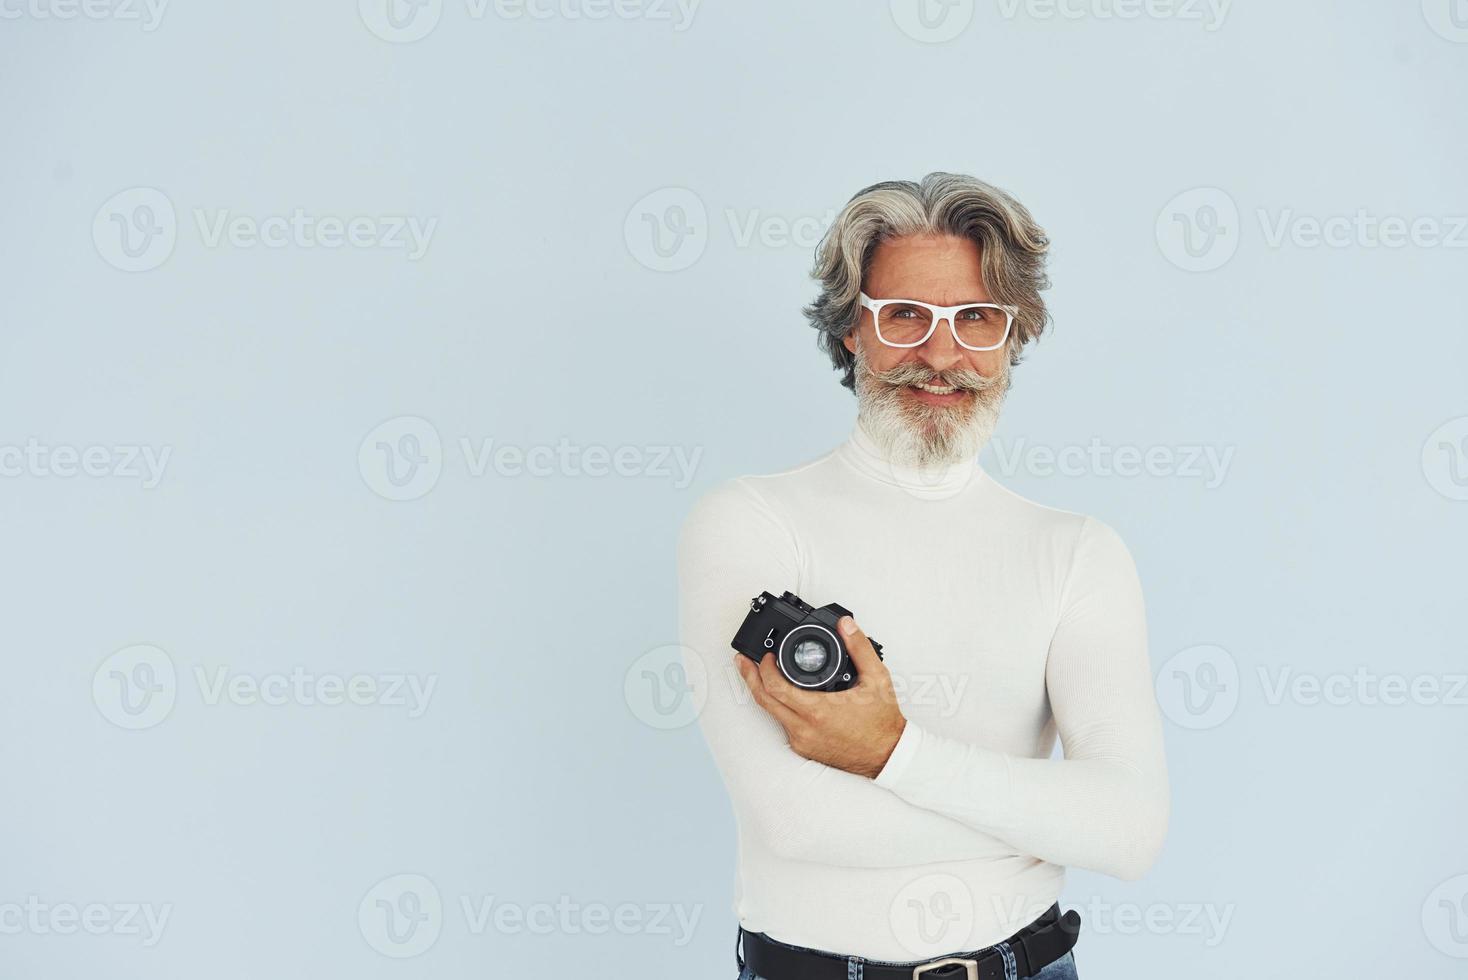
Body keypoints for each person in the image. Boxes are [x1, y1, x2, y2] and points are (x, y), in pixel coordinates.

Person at [677, 173, 1170, 980]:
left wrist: (889, 751)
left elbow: (1132, 831)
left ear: (1013, 336)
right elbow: (798, 821)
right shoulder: (751, 523)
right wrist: (1060, 818)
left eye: (976, 317)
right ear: (851, 332)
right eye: (905, 315)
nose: (941, 355)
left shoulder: (1078, 553)